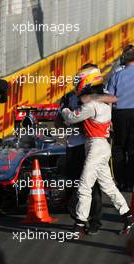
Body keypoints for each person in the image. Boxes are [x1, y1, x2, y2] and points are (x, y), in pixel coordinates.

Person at [62, 76, 134, 239]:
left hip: (95, 146)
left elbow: (71, 118)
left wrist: (64, 108)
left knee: (84, 186)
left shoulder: (91, 105)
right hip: (100, 145)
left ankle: (79, 224)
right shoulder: (103, 102)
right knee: (108, 185)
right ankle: (127, 216)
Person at [106, 44, 134, 191]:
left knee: (118, 149)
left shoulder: (116, 75)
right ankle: (131, 183)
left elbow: (109, 99)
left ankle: (121, 182)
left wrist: (108, 120)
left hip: (119, 115)